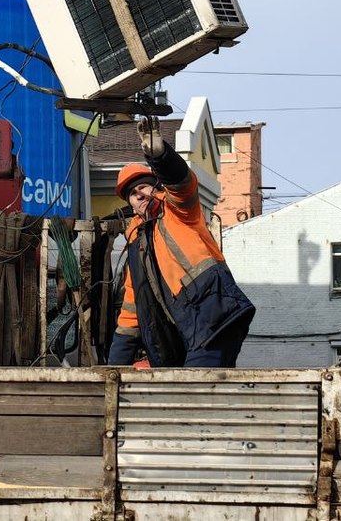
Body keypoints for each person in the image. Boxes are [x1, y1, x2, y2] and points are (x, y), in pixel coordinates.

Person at [106, 118, 255, 368]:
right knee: (191, 394)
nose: (139, 194)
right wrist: (111, 371)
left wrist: (160, 156)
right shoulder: (137, 242)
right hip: (187, 329)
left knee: (192, 392)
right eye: (133, 193)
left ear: (157, 188)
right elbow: (131, 307)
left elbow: (182, 184)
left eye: (143, 186)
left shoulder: (178, 211)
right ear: (129, 203)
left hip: (213, 314)